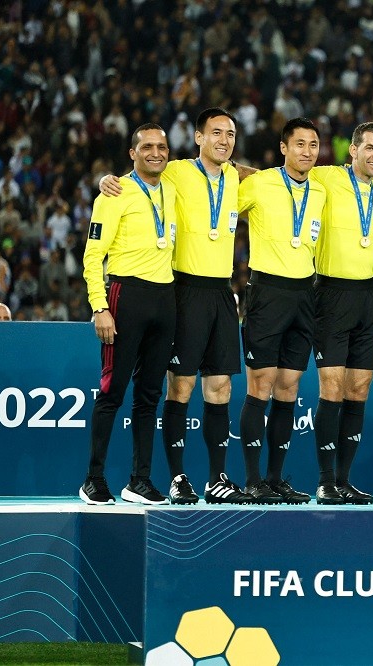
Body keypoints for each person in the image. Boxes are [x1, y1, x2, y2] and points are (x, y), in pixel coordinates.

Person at [101, 108, 250, 505]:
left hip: (222, 292)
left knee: (220, 385)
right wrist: (105, 180)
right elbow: (140, 171)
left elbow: (265, 178)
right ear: (198, 137)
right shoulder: (177, 171)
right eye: (216, 133)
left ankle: (217, 477)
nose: (224, 140)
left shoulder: (236, 176)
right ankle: (178, 477)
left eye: (230, 134)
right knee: (180, 385)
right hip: (182, 289)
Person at [79, 123, 177, 505]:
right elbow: (92, 255)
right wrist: (99, 306)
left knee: (150, 394)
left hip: (165, 297)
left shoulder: (173, 187)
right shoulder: (114, 192)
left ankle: (139, 480)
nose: (156, 152)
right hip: (126, 294)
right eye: (147, 147)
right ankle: (93, 479)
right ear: (132, 153)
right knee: (112, 390)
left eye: (162, 146)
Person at [235, 117, 328, 505]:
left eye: (313, 145)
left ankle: (275, 479)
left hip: (305, 294)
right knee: (260, 385)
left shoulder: (321, 191)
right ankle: (253, 479)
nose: (307, 151)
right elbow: (218, 191)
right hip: (267, 291)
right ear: (283, 148)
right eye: (299, 144)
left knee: (289, 388)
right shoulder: (257, 184)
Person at [308, 122, 373, 505]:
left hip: (369, 296)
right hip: (331, 293)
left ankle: (343, 480)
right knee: (331, 387)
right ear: (354, 150)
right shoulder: (325, 177)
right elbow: (270, 179)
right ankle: (325, 481)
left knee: (358, 388)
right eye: (371, 148)